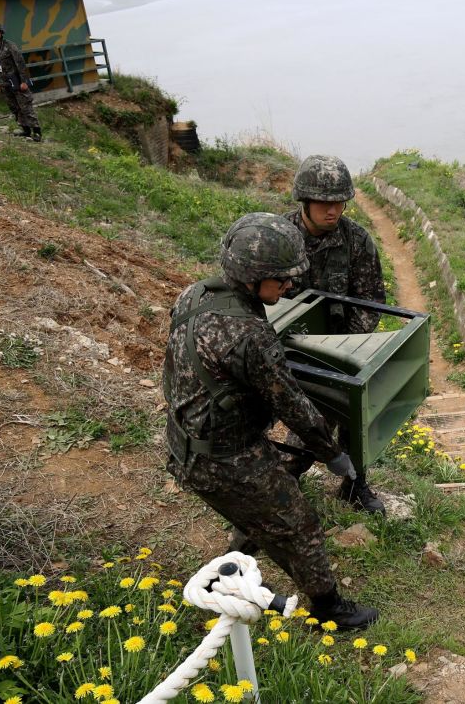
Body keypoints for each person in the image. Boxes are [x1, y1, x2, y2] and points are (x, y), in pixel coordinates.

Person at [163, 211, 378, 631]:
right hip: (224, 458)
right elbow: (293, 406)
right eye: (281, 279)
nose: (289, 285)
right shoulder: (249, 336)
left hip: (185, 439)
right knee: (301, 527)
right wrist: (334, 456)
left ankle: (240, 553)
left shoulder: (196, 294)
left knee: (268, 505)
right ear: (252, 276)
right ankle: (330, 609)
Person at [283, 154, 388, 514]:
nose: (333, 210)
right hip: (287, 351)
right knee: (306, 420)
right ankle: (285, 481)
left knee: (356, 415)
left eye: (339, 202)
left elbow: (371, 302)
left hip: (344, 351)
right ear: (305, 201)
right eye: (325, 203)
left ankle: (356, 485)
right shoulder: (279, 238)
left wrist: (345, 351)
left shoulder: (356, 241)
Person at [0, 20, 41, 141]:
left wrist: (24, 81)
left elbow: (20, 64)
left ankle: (37, 132)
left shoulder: (10, 46)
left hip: (16, 81)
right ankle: (25, 130)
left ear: (1, 32)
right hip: (4, 83)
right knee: (14, 107)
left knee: (26, 106)